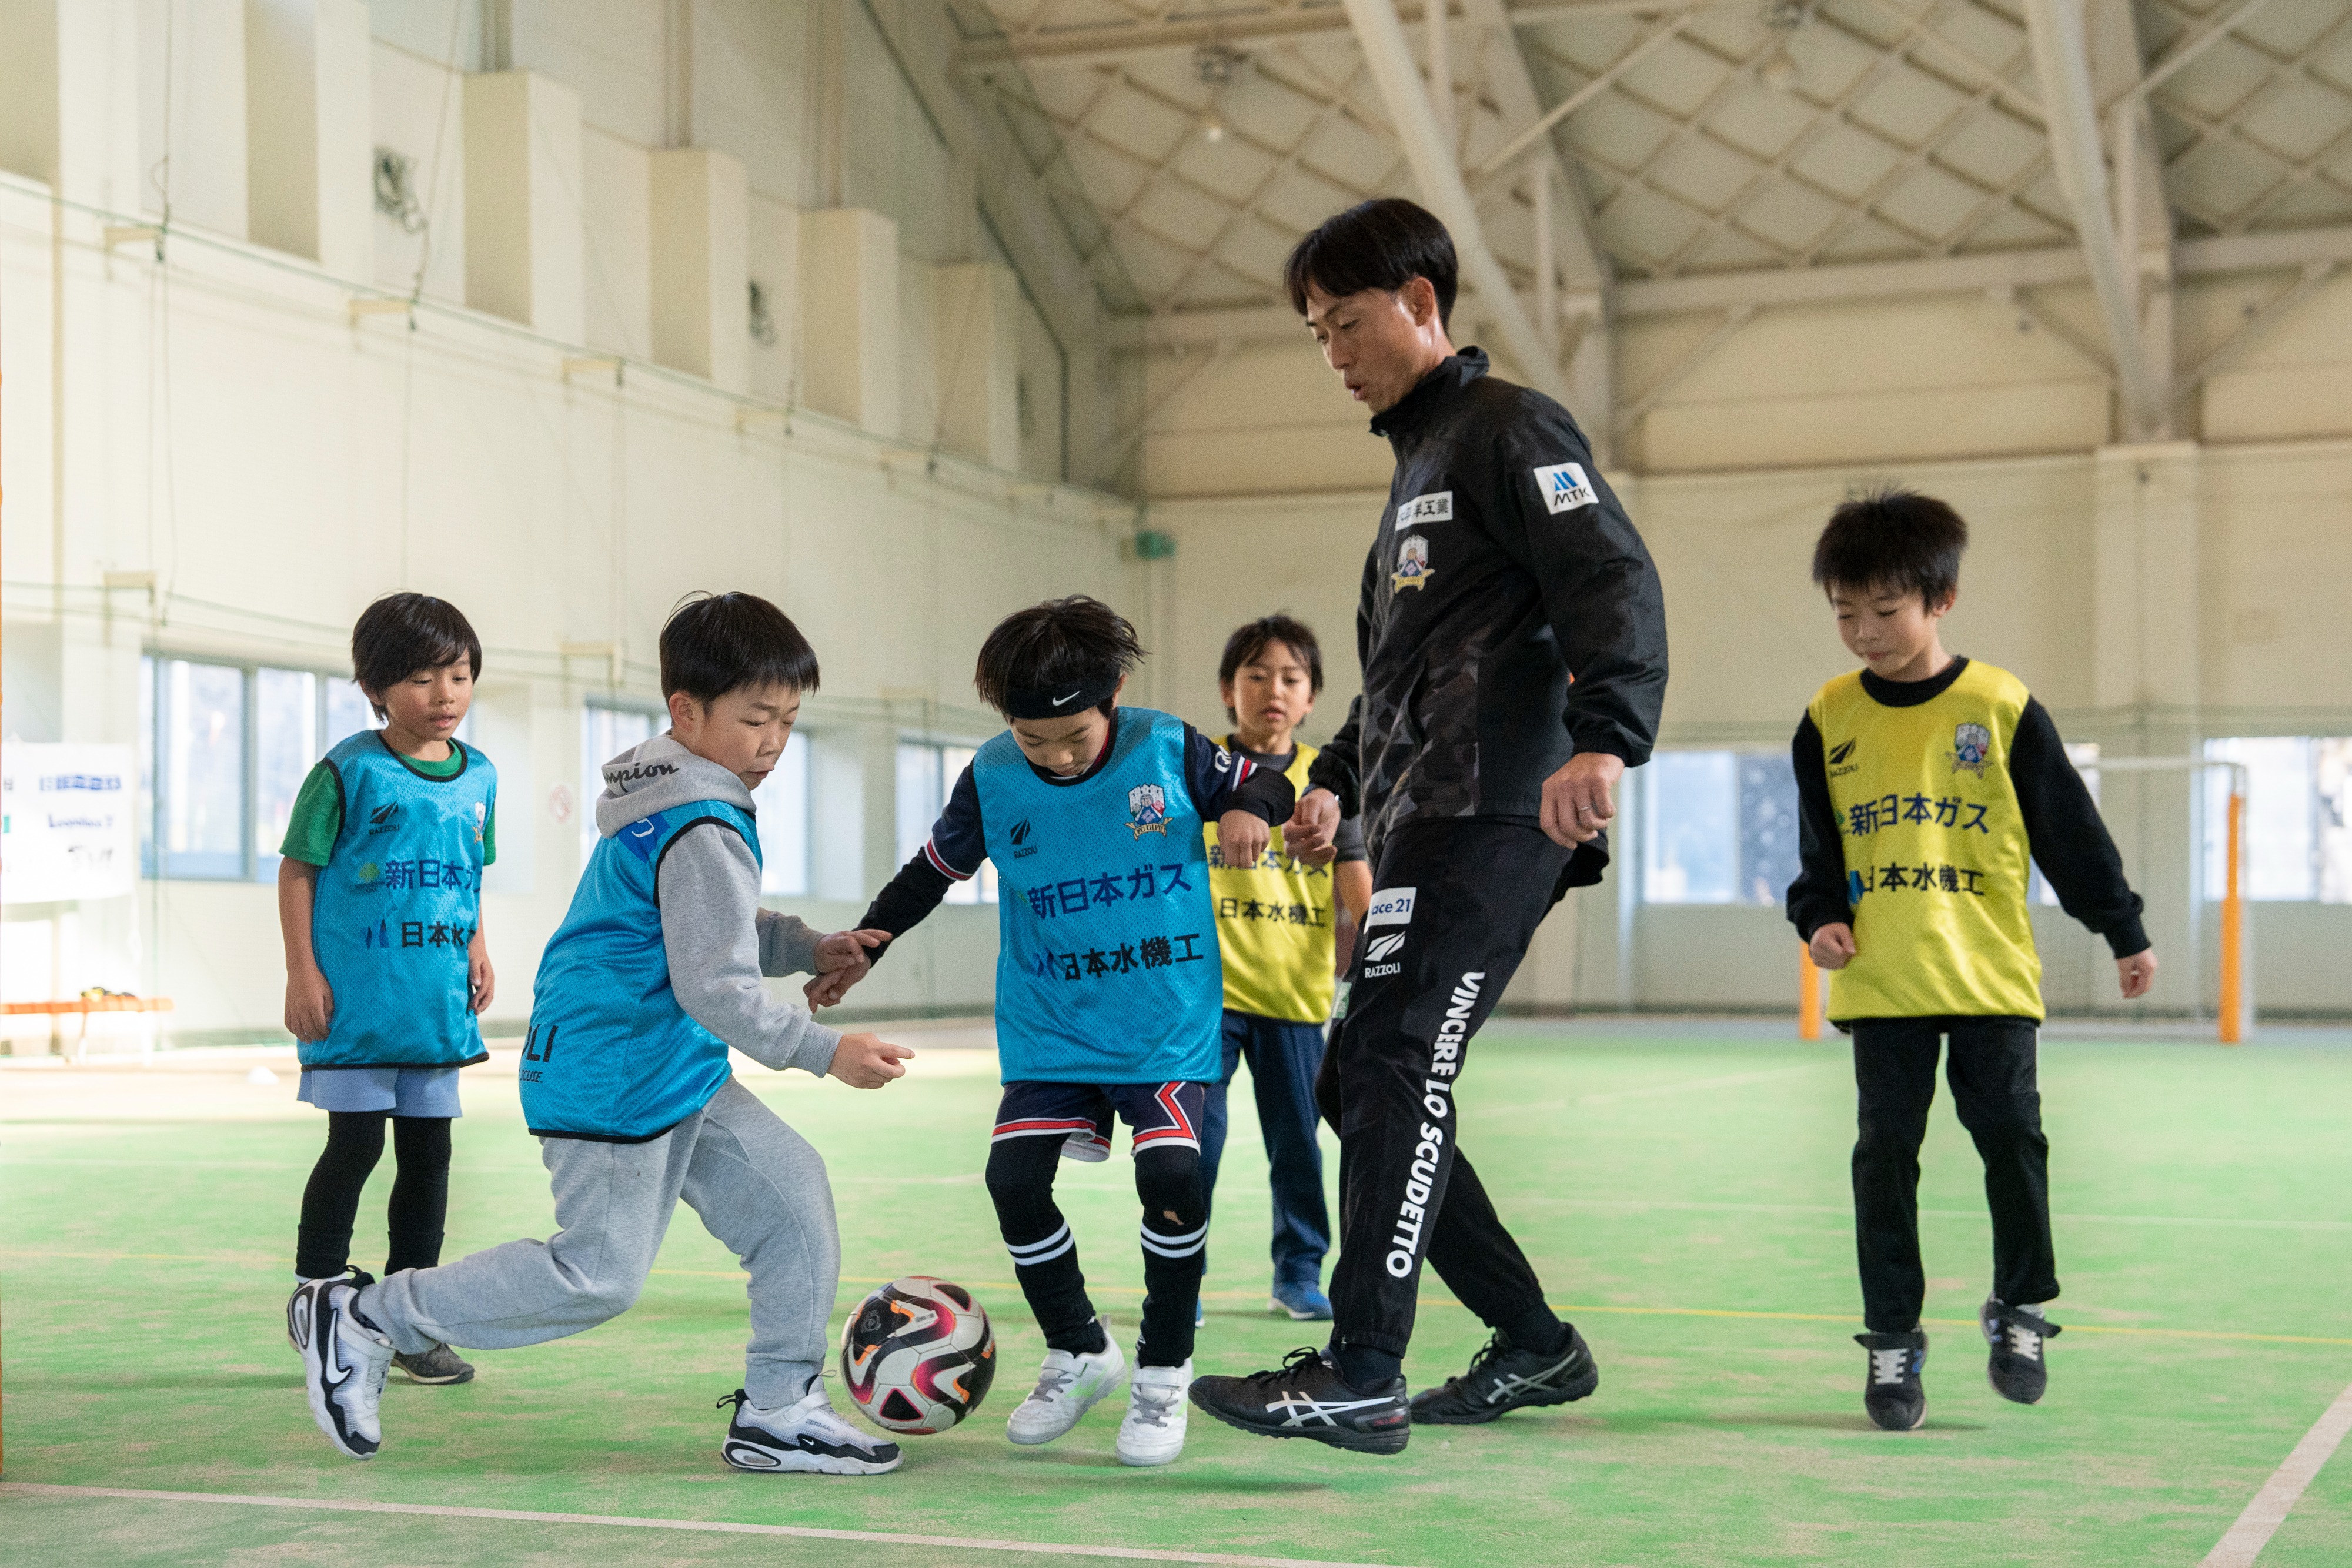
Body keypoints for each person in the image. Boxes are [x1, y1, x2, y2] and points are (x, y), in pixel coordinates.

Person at [1190, 198, 1668, 1456]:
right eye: (1315, 335)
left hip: (1500, 809)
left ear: (1419, 299)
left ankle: (1360, 1366)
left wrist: (1605, 735)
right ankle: (1533, 1340)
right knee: (1360, 1077)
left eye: (1346, 323)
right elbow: (1393, 678)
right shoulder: (1411, 477)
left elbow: (1609, 574)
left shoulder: (1510, 430)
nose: (1333, 353)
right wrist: (1332, 776)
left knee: (1396, 1058)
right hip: (1418, 819)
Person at [290, 592, 914, 1475]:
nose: (773, 740)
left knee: (792, 1200)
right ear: (686, 713)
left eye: (788, 720)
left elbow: (707, 925)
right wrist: (825, 1050)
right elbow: (715, 985)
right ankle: (365, 1317)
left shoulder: (683, 796)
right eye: (755, 718)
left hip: (672, 1067)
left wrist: (808, 944)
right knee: (599, 1275)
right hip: (614, 1069)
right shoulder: (699, 819)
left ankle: (779, 1408)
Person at [838, 596, 1295, 1468]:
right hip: (1051, 1020)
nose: (1052, 755)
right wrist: (868, 940)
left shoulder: (1169, 747)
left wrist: (1251, 812)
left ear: (1114, 693)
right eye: (1032, 737)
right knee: (1013, 1178)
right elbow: (932, 870)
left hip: (1162, 1020)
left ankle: (1163, 1370)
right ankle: (1081, 1348)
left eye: (1073, 736)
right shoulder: (992, 774)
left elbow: (1268, 780)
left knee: (1171, 1174)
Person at [1784, 489, 2157, 1432]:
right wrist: (1819, 916)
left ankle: (2022, 1307)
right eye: (1845, 614)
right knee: (1884, 1157)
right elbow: (1816, 856)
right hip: (1885, 979)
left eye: (1885, 610)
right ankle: (1892, 1338)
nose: (1864, 632)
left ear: (1940, 600)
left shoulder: (1998, 705)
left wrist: (2122, 926)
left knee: (2011, 1137)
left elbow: (2069, 831)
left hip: (1988, 972)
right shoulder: (1827, 718)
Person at [279, 592, 496, 1388]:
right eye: (421, 678)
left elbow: (466, 877)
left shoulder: (480, 778)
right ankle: (318, 1294)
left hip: (433, 1007)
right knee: (357, 1143)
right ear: (376, 688)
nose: (444, 694)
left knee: (430, 1156)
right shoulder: (349, 769)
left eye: (459, 674)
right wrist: (303, 970)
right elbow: (298, 869)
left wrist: (477, 945)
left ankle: (407, 1319)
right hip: (357, 1006)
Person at [1199, 614, 1371, 1324]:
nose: (1273, 689)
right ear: (1227, 690)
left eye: (1291, 679)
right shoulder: (1194, 769)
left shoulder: (1325, 783)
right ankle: (1180, 1270)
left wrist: (1357, 972)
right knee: (1189, 1146)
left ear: (1310, 699)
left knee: (1298, 1146)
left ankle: (1299, 1273)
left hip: (1295, 996)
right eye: (1256, 675)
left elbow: (1358, 895)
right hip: (1201, 997)